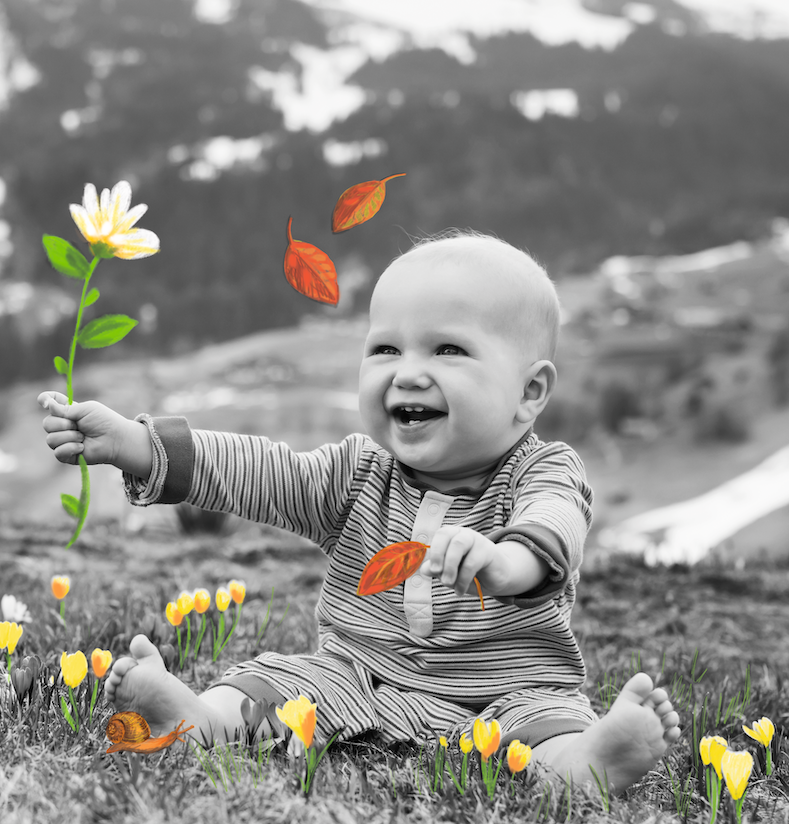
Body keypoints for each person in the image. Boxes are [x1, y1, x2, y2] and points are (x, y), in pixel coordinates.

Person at [39, 231, 680, 791]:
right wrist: (141, 448)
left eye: (448, 350)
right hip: (357, 679)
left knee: (541, 734)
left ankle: (590, 760)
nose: (407, 374)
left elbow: (556, 522)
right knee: (277, 680)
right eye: (386, 350)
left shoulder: (542, 469)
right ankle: (202, 719)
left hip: (504, 696)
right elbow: (262, 473)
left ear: (529, 392)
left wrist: (507, 563)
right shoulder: (358, 472)